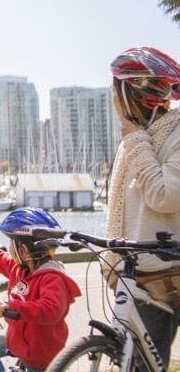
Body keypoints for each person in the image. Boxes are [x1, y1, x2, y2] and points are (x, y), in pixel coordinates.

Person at [105, 46, 180, 365]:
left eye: (116, 90)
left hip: (166, 278)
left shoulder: (168, 134)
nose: (113, 99)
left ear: (131, 92)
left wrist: (135, 139)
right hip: (133, 278)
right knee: (129, 363)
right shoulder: (135, 136)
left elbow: (165, 195)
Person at [0, 208, 81, 372]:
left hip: (40, 352)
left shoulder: (53, 278)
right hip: (17, 335)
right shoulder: (18, 268)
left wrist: (13, 307)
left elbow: (51, 310)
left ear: (24, 250)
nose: (8, 248)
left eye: (12, 244)